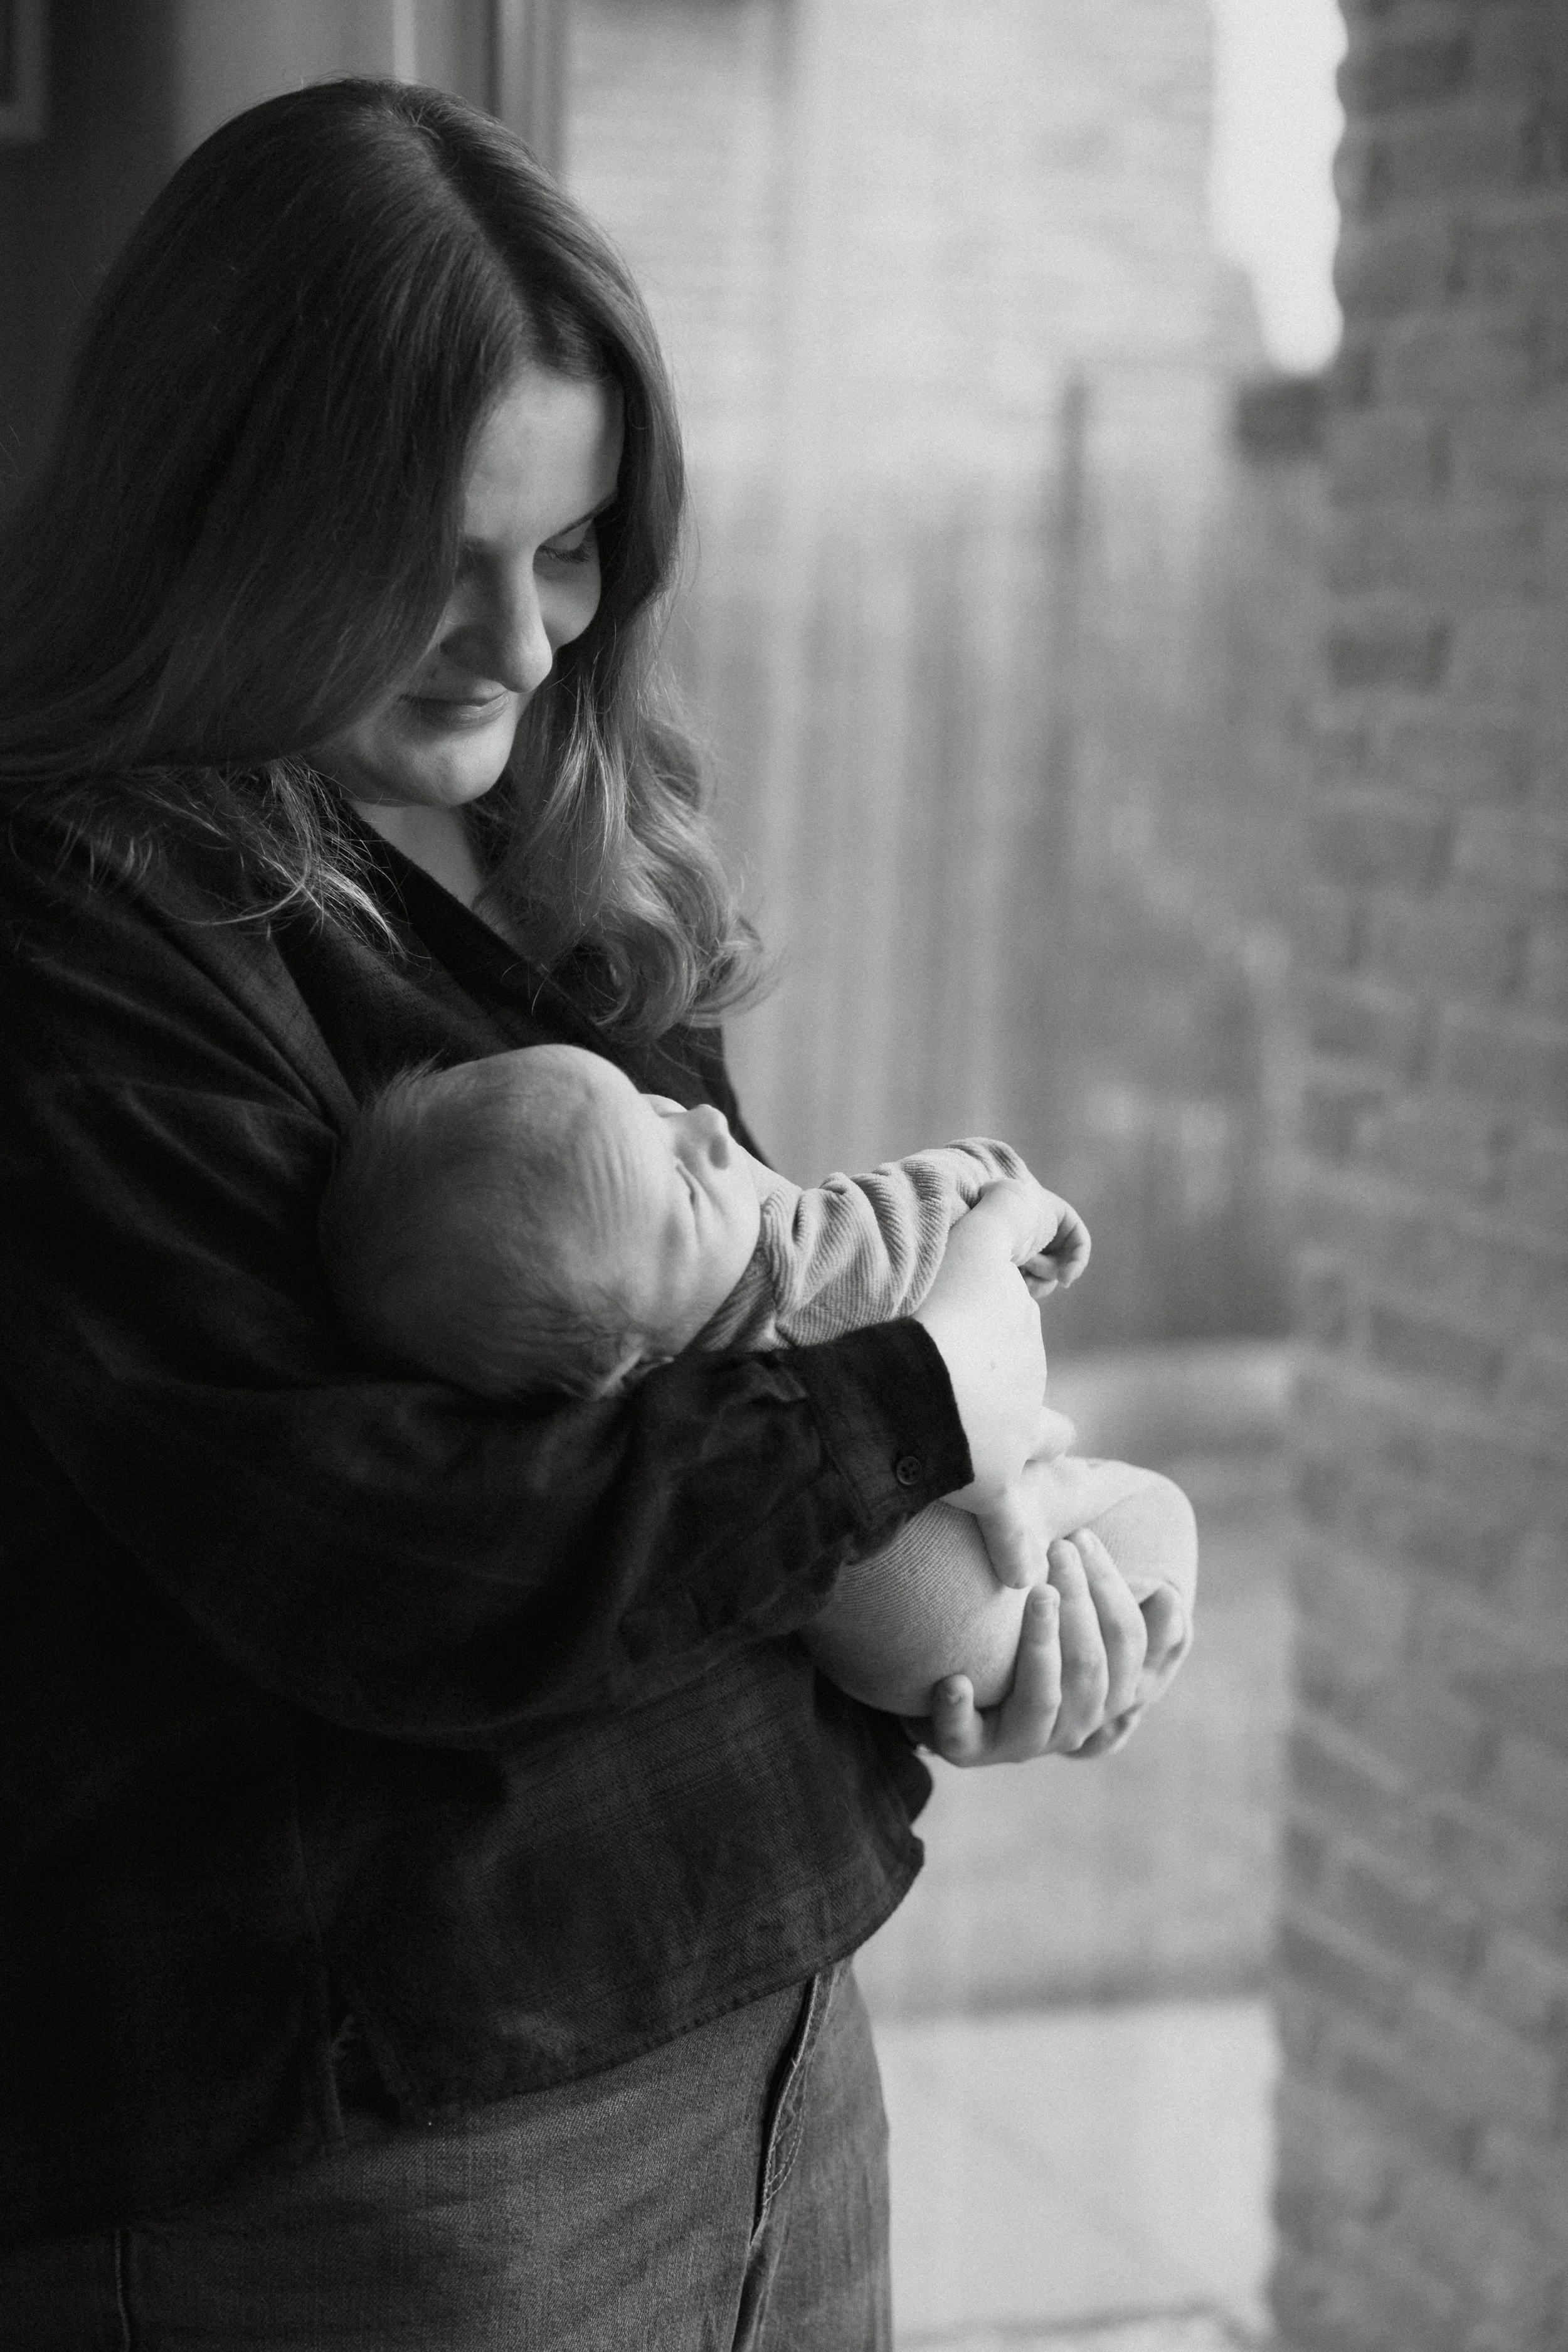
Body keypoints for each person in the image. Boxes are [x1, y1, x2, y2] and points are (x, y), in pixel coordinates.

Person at [0, 78, 1190, 2349]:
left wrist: (953, 1636)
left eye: (567, 556)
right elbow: (397, 1554)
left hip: (769, 2045)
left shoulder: (551, 857)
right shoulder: (75, 927)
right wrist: (932, 1392)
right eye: (429, 560)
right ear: (213, 506)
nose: (527, 647)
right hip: (384, 2163)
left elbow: (693, 1390)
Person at [317, 1041, 1197, 1714]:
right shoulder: (796, 1274)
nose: (702, 1126)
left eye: (650, 1106)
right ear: (632, 1362)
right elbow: (928, 1206)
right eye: (684, 1185)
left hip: (901, 1674)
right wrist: (1012, 1200)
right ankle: (1053, 1539)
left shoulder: (661, 1409)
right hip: (993, 1614)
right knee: (1161, 1515)